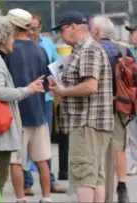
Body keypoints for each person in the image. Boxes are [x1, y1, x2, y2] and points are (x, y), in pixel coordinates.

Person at [0, 18, 45, 197]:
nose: (13, 41)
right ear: (3, 40)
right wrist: (27, 90)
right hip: (0, 132)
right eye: (11, 37)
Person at [49, 11, 114, 203]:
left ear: (73, 27)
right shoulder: (85, 48)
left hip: (87, 122)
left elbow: (90, 86)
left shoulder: (87, 49)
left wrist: (63, 91)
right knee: (95, 174)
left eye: (62, 29)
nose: (61, 35)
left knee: (83, 174)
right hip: (92, 122)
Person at [5, 8, 52, 203]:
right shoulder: (40, 49)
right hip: (38, 112)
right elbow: (48, 82)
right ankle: (47, 198)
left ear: (13, 26)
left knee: (16, 161)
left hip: (15, 114)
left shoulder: (7, 51)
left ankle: (20, 198)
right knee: (42, 160)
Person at [90, 15, 132, 203]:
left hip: (96, 106)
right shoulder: (124, 49)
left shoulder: (92, 49)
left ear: (97, 32)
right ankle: (121, 186)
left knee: (97, 149)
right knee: (119, 147)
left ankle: (99, 187)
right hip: (120, 104)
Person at [25, 13, 66, 195]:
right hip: (25, 96)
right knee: (24, 140)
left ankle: (49, 181)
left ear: (40, 27)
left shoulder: (48, 45)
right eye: (29, 27)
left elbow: (58, 67)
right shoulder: (18, 46)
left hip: (46, 99)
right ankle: (26, 183)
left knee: (45, 142)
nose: (33, 31)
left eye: (35, 27)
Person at [125, 25, 137, 176]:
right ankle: (136, 162)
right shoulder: (128, 51)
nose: (131, 36)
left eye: (133, 33)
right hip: (131, 96)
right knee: (133, 132)